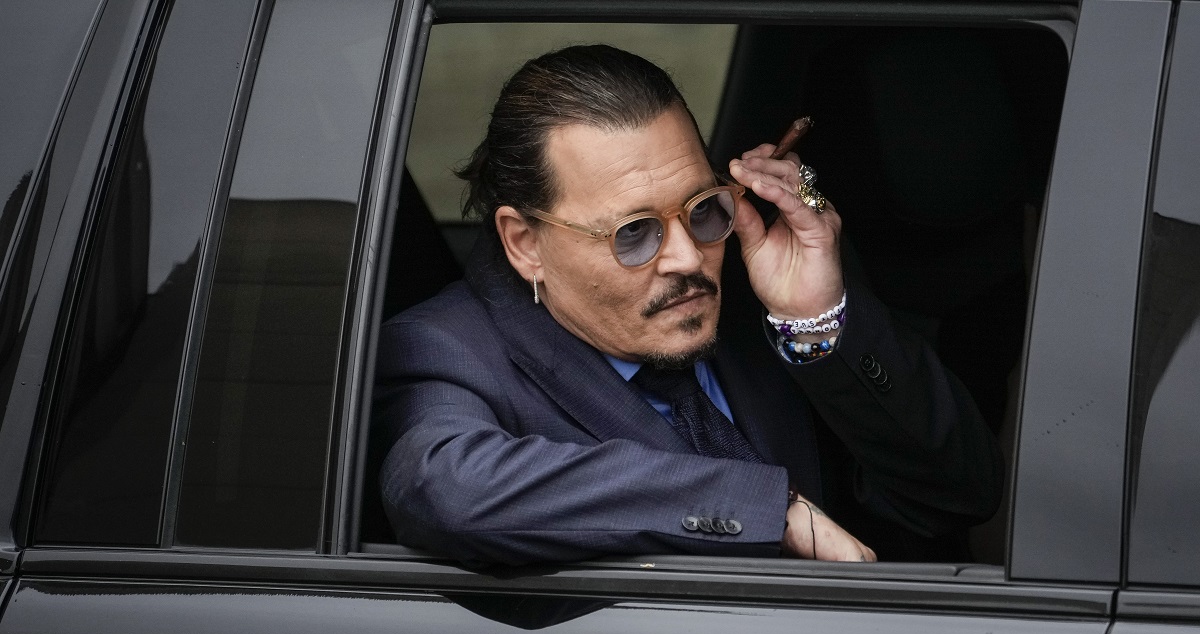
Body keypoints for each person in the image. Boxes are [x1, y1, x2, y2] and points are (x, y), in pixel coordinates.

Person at [373, 44, 1002, 567]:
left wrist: (816, 319)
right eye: (634, 233)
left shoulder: (760, 308)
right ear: (524, 243)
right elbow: (443, 490)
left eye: (702, 210)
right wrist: (768, 509)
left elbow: (958, 496)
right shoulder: (448, 348)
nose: (686, 258)